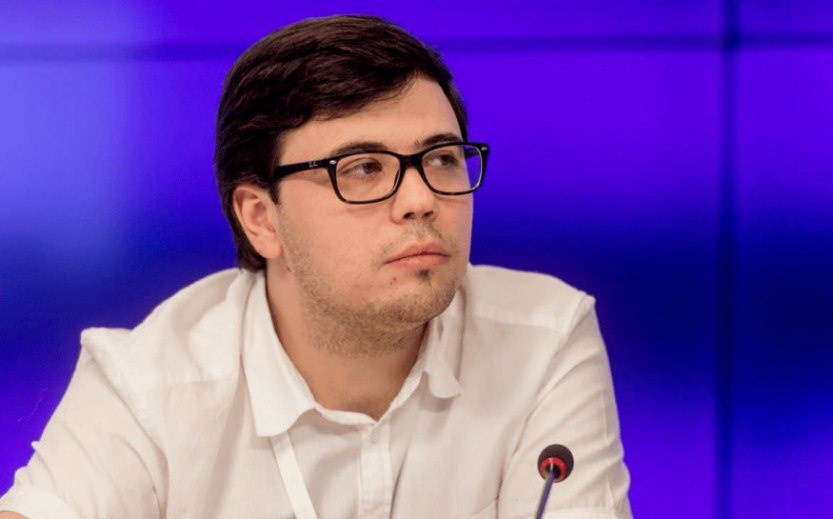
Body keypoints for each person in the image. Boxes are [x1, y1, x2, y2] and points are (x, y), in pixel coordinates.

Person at [0, 15, 630, 518]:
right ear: (261, 219)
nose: (421, 199)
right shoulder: (150, 386)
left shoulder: (543, 339)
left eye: (442, 158)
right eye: (363, 168)